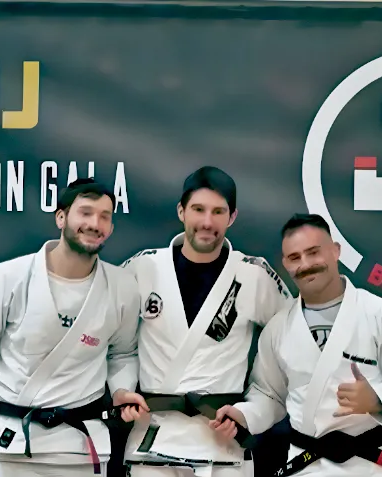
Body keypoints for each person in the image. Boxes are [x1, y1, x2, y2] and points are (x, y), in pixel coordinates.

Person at [0, 178, 149, 477]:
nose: (95, 223)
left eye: (105, 216)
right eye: (85, 212)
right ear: (61, 217)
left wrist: (121, 389)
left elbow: (122, 353)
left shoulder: (122, 287)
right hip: (7, 445)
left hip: (79, 449)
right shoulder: (7, 277)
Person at [210, 213, 382, 477]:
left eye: (313, 252)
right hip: (307, 466)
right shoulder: (278, 328)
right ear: (285, 263)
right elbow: (269, 394)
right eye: (295, 258)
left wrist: (376, 399)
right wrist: (244, 414)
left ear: (335, 251)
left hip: (371, 465)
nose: (305, 264)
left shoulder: (381, 313)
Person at [119, 166, 293, 477]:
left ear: (232, 216)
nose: (207, 222)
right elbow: (113, 346)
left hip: (222, 446)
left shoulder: (254, 275)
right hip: (152, 445)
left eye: (218, 211)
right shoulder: (141, 269)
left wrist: (252, 413)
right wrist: (120, 388)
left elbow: (294, 350)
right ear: (181, 211)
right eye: (198, 209)